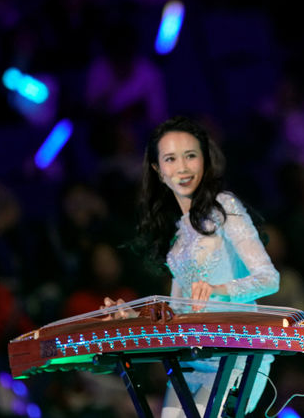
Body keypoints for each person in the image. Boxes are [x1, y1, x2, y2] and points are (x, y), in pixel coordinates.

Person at [109, 115, 280, 418]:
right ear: (158, 171)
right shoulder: (177, 234)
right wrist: (135, 315)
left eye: (190, 156)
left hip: (235, 349)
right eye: (171, 159)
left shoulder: (224, 206)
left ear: (205, 161)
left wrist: (219, 290)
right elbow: (179, 309)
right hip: (196, 352)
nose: (183, 167)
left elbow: (269, 279)